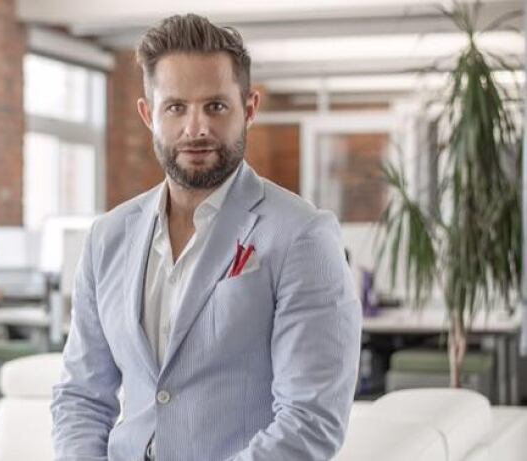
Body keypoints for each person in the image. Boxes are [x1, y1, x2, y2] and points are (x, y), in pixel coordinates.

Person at [51, 14, 362, 461]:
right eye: (175, 107)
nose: (195, 128)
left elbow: (310, 420)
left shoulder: (302, 236)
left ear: (249, 108)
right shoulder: (107, 237)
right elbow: (81, 394)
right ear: (148, 114)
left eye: (215, 106)